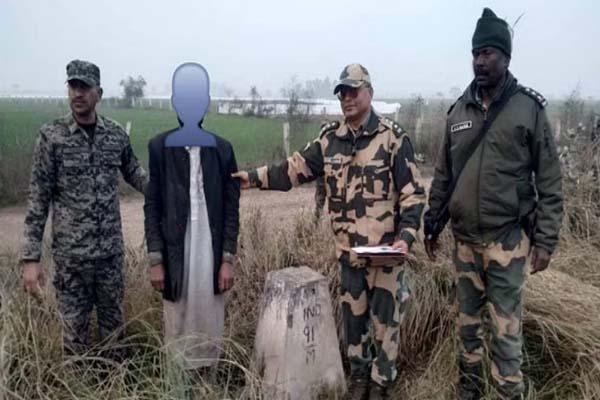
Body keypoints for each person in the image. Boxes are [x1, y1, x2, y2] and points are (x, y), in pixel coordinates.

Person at [234, 63, 426, 400]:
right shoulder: (329, 140)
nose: (347, 99)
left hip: (386, 256)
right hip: (349, 255)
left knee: (386, 324)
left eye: (353, 91)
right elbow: (291, 171)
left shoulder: (393, 137)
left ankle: (381, 385)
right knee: (353, 324)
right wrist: (251, 178)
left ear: (370, 92)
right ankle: (358, 380)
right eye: (342, 93)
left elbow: (413, 193)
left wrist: (406, 237)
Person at [424, 8, 563, 400]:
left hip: (507, 242)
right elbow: (443, 176)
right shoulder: (458, 112)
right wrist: (432, 223)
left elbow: (550, 180)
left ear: (506, 57)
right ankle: (468, 392)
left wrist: (546, 241)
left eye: (488, 53)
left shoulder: (528, 109)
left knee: (505, 336)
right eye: (475, 53)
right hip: (465, 243)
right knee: (466, 331)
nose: (480, 61)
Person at [21, 60, 148, 356]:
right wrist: (31, 259)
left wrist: (173, 188)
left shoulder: (115, 135)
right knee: (74, 340)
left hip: (109, 257)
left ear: (98, 93)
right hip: (71, 261)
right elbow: (37, 200)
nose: (78, 93)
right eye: (72, 86)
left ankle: (116, 387)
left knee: (115, 335)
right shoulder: (51, 137)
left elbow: (137, 175)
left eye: (84, 87)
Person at [143, 63, 240, 371]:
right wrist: (156, 259)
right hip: (175, 250)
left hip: (209, 251)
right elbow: (152, 205)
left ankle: (208, 381)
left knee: (210, 313)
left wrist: (227, 259)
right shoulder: (159, 147)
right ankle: (178, 381)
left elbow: (231, 210)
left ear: (205, 103)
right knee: (177, 314)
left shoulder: (223, 150)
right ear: (175, 103)